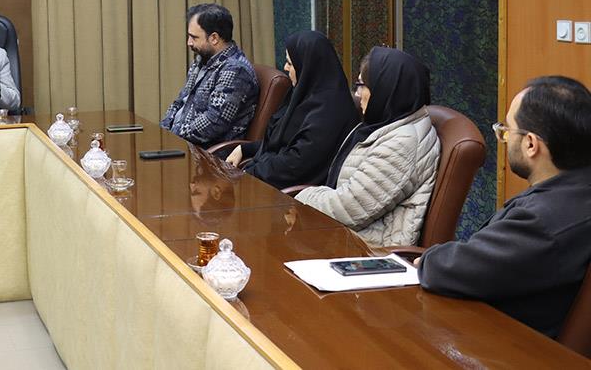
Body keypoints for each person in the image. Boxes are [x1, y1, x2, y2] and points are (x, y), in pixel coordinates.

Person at [417, 76, 591, 339]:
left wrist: (428, 259)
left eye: (507, 131)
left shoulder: (543, 221)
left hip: (505, 343)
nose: (505, 139)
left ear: (530, 144)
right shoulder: (575, 193)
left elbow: (453, 269)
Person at [294, 47, 440, 246]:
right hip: (345, 237)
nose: (357, 93)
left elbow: (345, 209)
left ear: (387, 89)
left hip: (369, 250)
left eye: (362, 85)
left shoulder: (403, 143)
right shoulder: (386, 123)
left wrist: (301, 197)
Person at [228, 30, 360, 188]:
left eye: (290, 63)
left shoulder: (330, 112)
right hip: (268, 179)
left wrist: (247, 175)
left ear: (308, 66)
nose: (285, 68)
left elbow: (295, 165)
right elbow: (282, 142)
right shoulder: (304, 95)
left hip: (290, 195)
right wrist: (245, 149)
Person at [161, 3, 259, 148]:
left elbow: (214, 122)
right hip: (181, 143)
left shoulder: (236, 70)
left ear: (214, 38)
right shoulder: (202, 60)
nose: (189, 43)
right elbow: (181, 101)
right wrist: (162, 132)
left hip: (206, 153)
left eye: (194, 37)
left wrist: (173, 136)